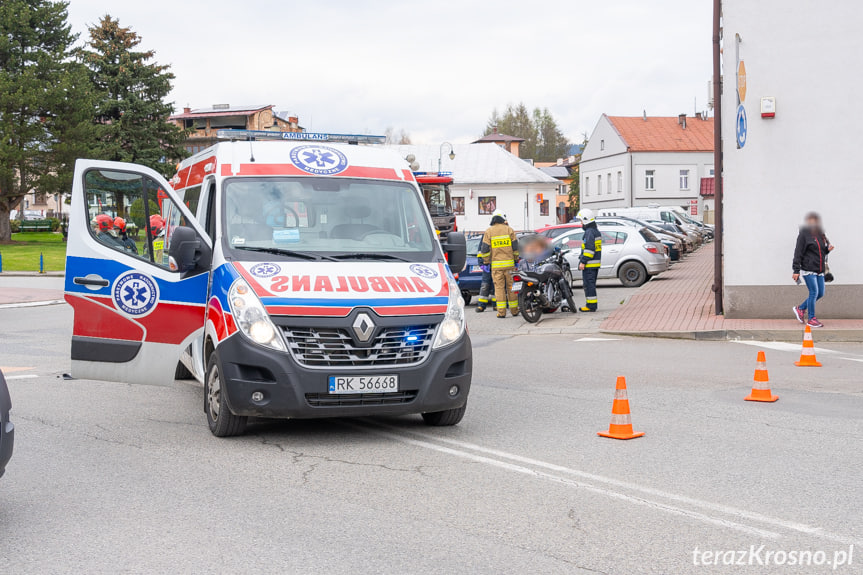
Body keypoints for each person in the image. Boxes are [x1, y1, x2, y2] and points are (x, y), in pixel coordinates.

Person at [792, 212, 834, 328]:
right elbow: (798, 253)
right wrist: (796, 270)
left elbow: (821, 252)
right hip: (808, 269)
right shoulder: (803, 235)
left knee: (820, 293)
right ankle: (811, 319)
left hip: (819, 269)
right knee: (814, 292)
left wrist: (828, 249)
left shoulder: (821, 235)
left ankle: (800, 308)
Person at [478, 210, 519, 318]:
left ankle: (501, 312)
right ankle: (514, 310)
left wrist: (486, 262)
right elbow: (515, 248)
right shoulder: (509, 230)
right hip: (510, 265)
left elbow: (485, 249)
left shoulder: (489, 231)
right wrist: (515, 260)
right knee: (511, 287)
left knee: (499, 289)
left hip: (496, 266)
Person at [576, 208, 601, 312]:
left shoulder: (589, 232)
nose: (581, 223)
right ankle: (591, 305)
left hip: (589, 265)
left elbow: (589, 250)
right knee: (591, 285)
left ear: (586, 220)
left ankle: (591, 306)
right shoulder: (595, 231)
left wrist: (583, 261)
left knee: (589, 285)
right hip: (594, 264)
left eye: (581, 220)